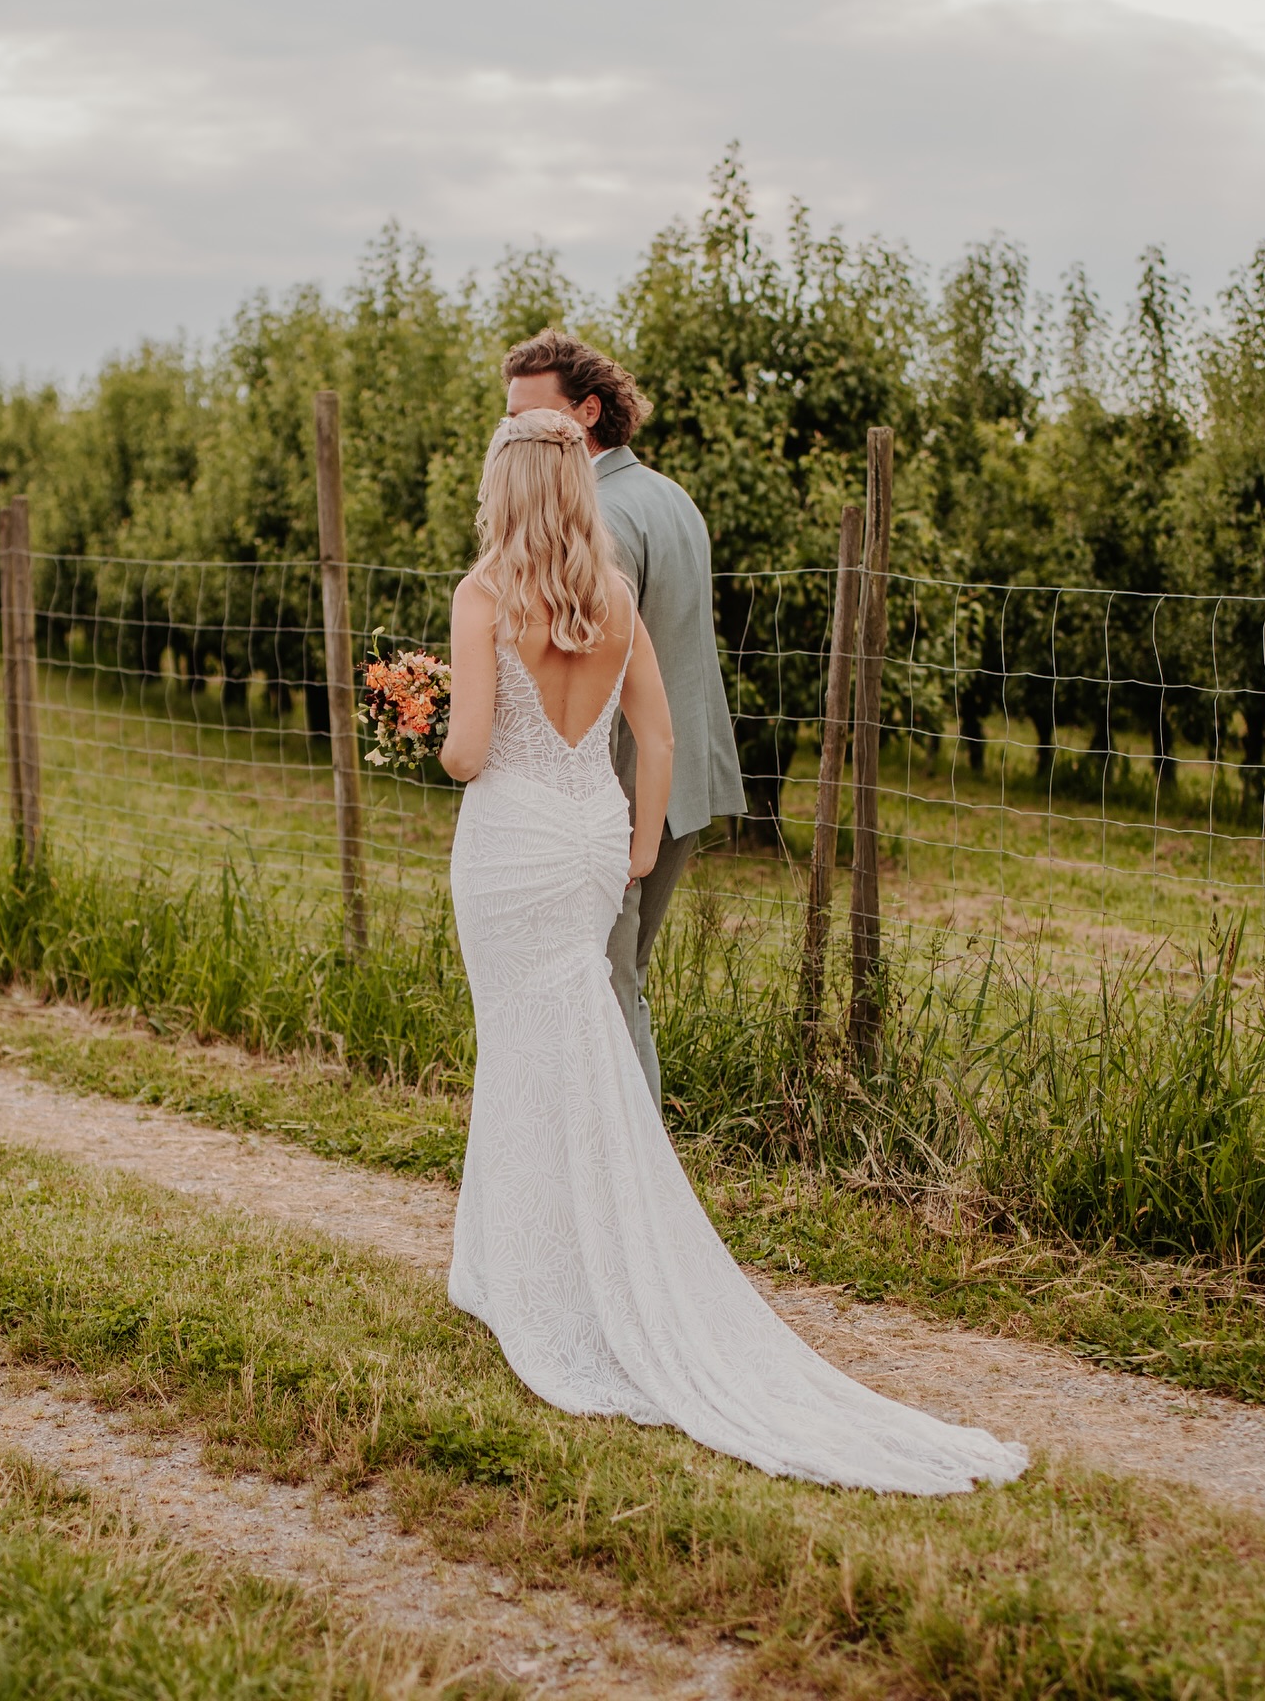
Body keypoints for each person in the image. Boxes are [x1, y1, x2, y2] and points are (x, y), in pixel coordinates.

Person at [439, 407, 1027, 1492]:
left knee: (520, 1045)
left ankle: (528, 1280)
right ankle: (507, 1263)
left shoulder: (483, 597)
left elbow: (471, 753)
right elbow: (656, 737)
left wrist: (433, 720)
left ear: (502, 486)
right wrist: (639, 839)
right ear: (574, 484)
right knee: (576, 1039)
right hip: (589, 836)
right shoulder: (611, 598)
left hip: (514, 843)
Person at [498, 330, 745, 1114]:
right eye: (508, 421)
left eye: (530, 420)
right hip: (682, 778)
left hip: (618, 788)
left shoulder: (591, 517)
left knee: (606, 986)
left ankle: (633, 1183)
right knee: (619, 977)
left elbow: (593, 677)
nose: (511, 439)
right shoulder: (672, 498)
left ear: (588, 412)